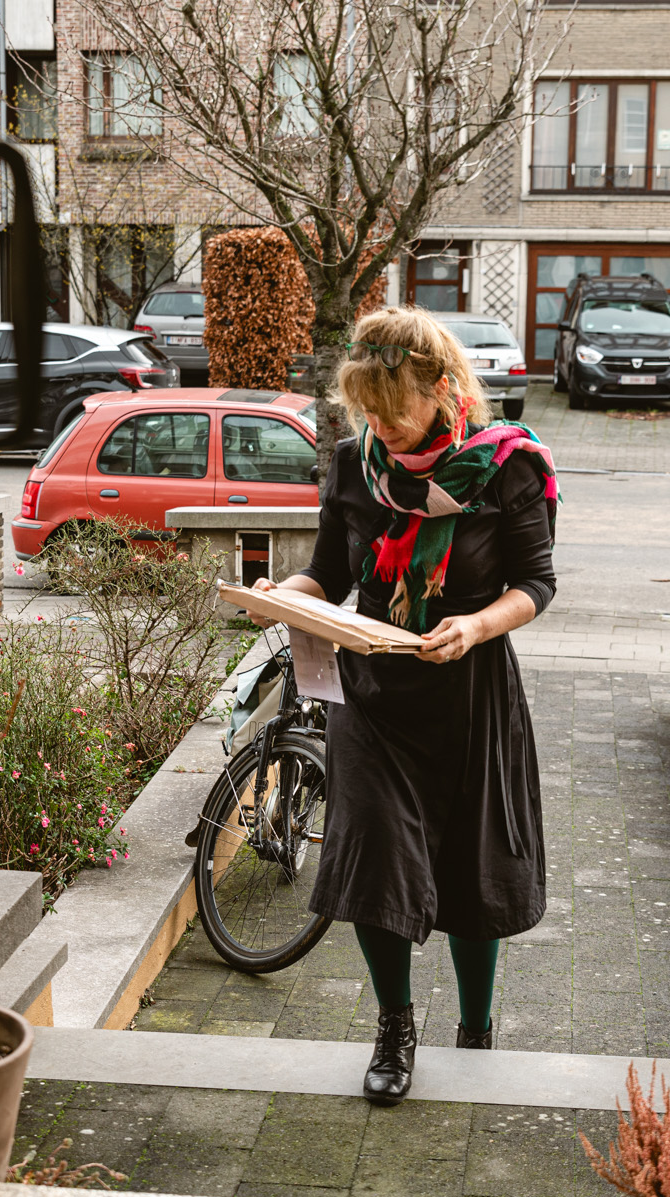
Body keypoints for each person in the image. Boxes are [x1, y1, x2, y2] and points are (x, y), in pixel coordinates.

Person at [247, 306, 559, 1105]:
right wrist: (283, 597)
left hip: (471, 695)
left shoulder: (509, 467)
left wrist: (479, 622)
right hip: (373, 695)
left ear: (443, 388)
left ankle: (478, 1029)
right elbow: (327, 572)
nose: (381, 427)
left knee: (470, 864)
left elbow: (536, 584)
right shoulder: (355, 464)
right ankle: (395, 1024)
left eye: (395, 409)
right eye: (368, 412)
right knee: (375, 850)